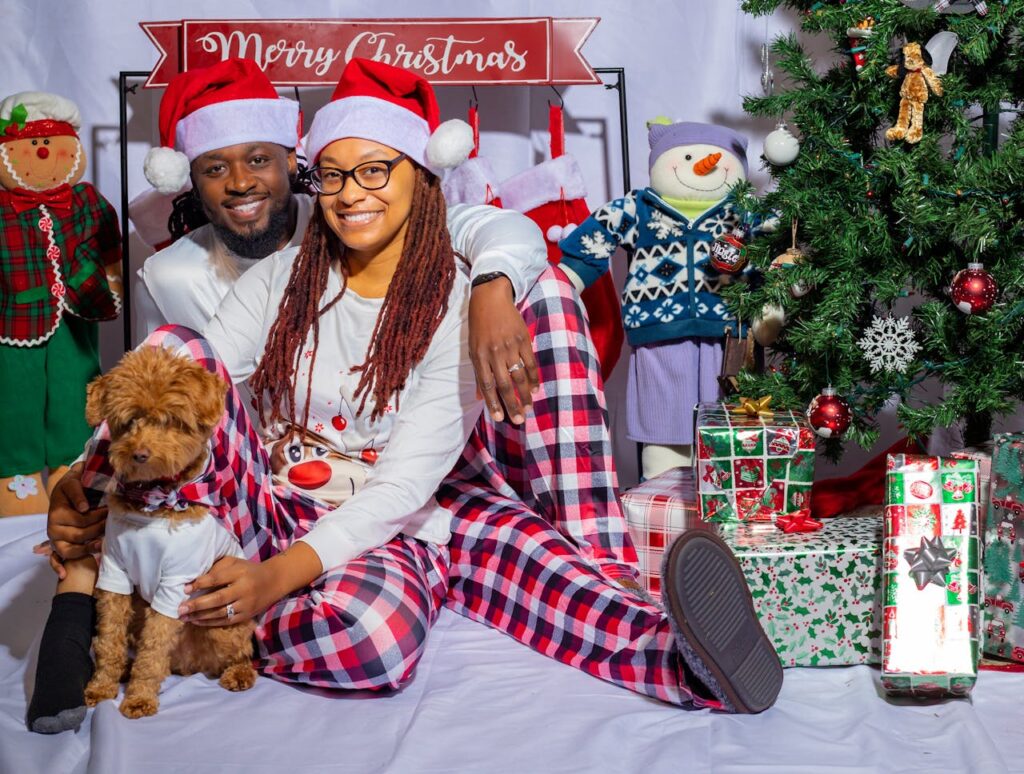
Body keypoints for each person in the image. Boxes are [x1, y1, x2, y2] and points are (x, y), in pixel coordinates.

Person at [34, 59, 781, 732]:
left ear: (421, 176)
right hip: (281, 501)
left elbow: (404, 483)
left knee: (490, 592)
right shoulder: (279, 282)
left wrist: (272, 584)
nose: (350, 194)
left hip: (413, 508)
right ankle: (138, 554)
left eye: (374, 171)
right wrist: (81, 477)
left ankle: (688, 663)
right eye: (331, 174)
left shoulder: (456, 287)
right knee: (184, 355)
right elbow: (201, 379)